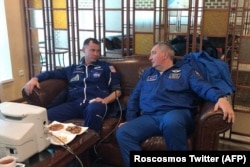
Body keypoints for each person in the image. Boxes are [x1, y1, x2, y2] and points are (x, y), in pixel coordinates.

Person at [116, 42, 235, 167]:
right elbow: (134, 98)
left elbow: (203, 87)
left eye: (153, 53)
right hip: (150, 117)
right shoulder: (148, 74)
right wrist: (131, 120)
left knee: (171, 121)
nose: (150, 57)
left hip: (178, 114)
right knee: (123, 132)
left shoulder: (186, 71)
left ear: (164, 54)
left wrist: (220, 98)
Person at [24, 38, 122, 133]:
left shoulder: (106, 67)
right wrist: (35, 78)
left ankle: (90, 147)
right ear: (84, 50)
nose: (96, 54)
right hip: (74, 104)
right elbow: (51, 73)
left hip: (95, 102)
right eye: (93, 50)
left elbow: (117, 91)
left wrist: (104, 101)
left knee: (93, 110)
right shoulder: (73, 69)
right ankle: (55, 145)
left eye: (98, 51)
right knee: (45, 116)